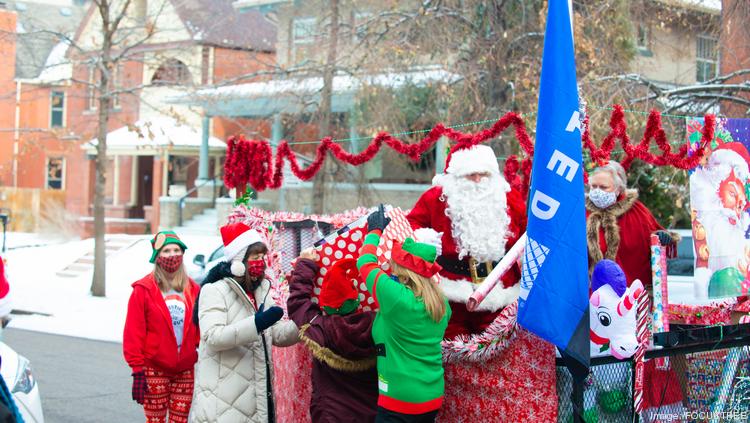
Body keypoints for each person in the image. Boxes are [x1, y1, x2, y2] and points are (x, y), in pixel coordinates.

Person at [585, 160, 684, 416]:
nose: (595, 191)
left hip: (632, 310)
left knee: (638, 365)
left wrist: (663, 239)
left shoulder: (637, 212)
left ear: (618, 188)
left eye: (602, 186)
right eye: (593, 185)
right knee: (597, 367)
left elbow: (660, 240)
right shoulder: (581, 213)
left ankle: (643, 414)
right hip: (594, 310)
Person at [191, 222, 298, 423]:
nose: (260, 262)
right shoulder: (214, 290)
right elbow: (213, 337)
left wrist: (303, 321)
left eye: (262, 257)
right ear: (239, 262)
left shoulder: (261, 290)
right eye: (254, 258)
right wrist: (256, 324)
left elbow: (277, 334)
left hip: (255, 401)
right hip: (223, 405)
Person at [357, 208, 450, 422]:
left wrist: (374, 232)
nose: (389, 269)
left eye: (394, 266)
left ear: (405, 274)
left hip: (399, 398)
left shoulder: (397, 298)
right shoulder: (441, 303)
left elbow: (364, 263)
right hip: (431, 395)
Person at [286, 248, 378, 423]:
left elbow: (298, 302)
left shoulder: (319, 327)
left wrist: (306, 265)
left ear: (324, 305)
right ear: (356, 299)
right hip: (372, 413)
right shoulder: (377, 323)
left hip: (330, 415)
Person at [123, 231, 199, 423]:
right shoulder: (143, 290)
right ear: (157, 257)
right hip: (154, 369)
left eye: (176, 250)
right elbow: (134, 332)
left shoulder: (193, 289)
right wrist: (137, 369)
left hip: (185, 370)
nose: (172, 255)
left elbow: (200, 328)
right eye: (166, 251)